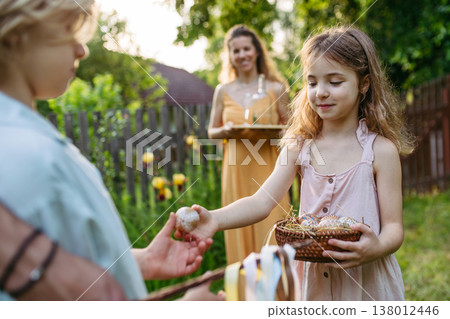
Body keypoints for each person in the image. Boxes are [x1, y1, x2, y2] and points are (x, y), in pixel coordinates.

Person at [0, 0, 222, 301]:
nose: (82, 50)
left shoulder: (25, 137)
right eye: (69, 31)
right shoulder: (29, 157)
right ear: (18, 34)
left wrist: (140, 262)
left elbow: (66, 262)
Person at [187, 26, 415, 300]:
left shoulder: (380, 151)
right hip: (314, 285)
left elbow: (394, 228)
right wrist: (214, 219)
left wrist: (376, 248)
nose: (320, 92)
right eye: (312, 82)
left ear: (363, 84)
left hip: (366, 283)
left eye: (335, 82)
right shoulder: (298, 146)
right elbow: (261, 202)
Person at [207, 24, 291, 264]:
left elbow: (292, 129)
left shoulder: (276, 88)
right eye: (236, 51)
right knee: (238, 230)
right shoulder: (222, 90)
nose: (242, 55)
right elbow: (211, 131)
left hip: (270, 170)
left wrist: (275, 132)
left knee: (273, 230)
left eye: (247, 48)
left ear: (257, 52)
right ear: (230, 56)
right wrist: (224, 131)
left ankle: (279, 297)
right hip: (236, 170)